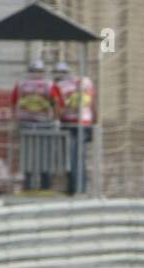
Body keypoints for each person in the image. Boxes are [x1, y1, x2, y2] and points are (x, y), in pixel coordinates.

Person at [11, 59, 62, 190]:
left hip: (38, 123)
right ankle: (34, 185)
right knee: (33, 155)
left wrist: (55, 120)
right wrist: (56, 120)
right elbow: (56, 103)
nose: (36, 74)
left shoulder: (27, 84)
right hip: (35, 123)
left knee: (40, 155)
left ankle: (41, 185)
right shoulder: (46, 84)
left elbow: (55, 102)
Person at [53, 62, 95, 195]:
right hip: (86, 123)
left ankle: (76, 188)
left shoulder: (60, 86)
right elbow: (92, 103)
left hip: (70, 124)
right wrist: (94, 122)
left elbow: (59, 108)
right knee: (79, 157)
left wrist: (56, 120)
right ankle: (80, 187)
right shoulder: (86, 82)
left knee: (72, 158)